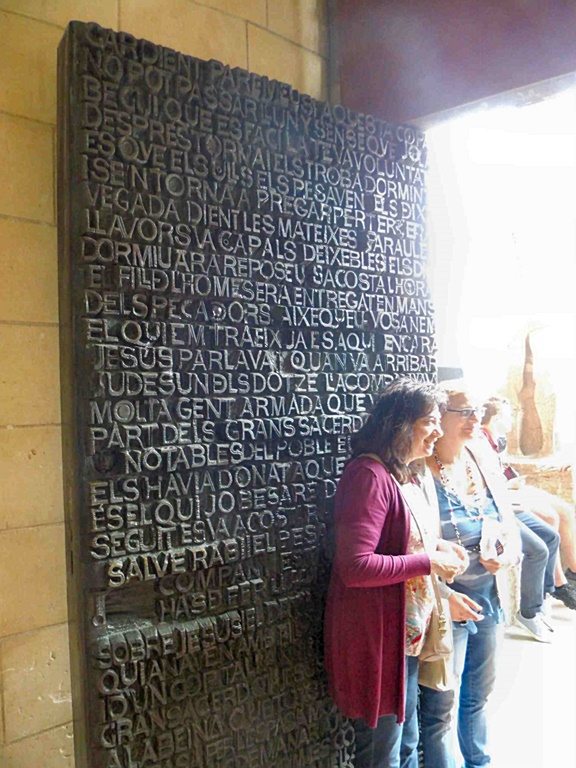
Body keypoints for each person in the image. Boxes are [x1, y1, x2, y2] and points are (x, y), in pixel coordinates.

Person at [324, 378, 467, 768]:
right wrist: (428, 562)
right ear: (401, 424)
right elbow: (356, 566)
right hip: (380, 639)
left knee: (405, 745)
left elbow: (401, 541)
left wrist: (438, 548)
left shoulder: (400, 473)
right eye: (430, 421)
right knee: (382, 753)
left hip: (404, 638)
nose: (438, 431)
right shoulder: (368, 476)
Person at [421, 385, 522, 768]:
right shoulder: (419, 470)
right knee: (440, 707)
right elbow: (410, 545)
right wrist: (445, 597)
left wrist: (506, 554)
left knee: (478, 695)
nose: (475, 419)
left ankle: (478, 763)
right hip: (445, 605)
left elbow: (508, 525)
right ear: (439, 416)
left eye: (477, 410)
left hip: (488, 599)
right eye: (464, 412)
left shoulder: (481, 456)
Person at [481, 396, 576, 613]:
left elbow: (504, 470)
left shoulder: (498, 439)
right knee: (550, 517)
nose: (513, 420)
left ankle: (572, 571)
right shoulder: (481, 441)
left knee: (565, 510)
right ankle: (557, 583)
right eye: (509, 415)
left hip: (511, 487)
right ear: (497, 417)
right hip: (505, 493)